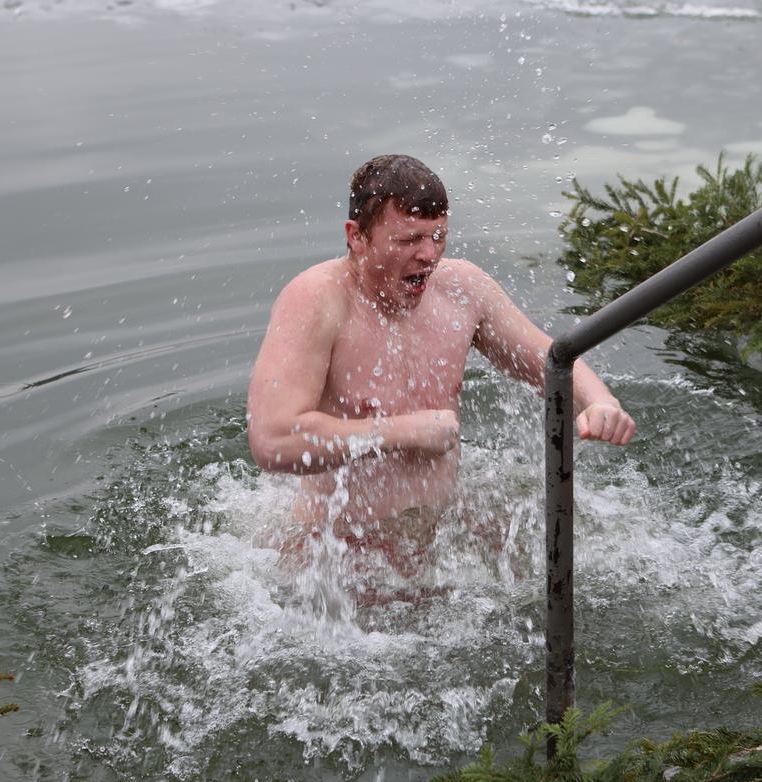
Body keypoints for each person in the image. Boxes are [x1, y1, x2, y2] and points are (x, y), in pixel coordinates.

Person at [246, 154, 635, 550]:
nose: (429, 256)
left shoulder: (462, 289)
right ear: (357, 236)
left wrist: (599, 402)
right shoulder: (316, 300)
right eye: (409, 240)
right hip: (338, 558)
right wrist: (403, 431)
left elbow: (551, 361)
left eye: (438, 237)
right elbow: (273, 441)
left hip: (440, 551)